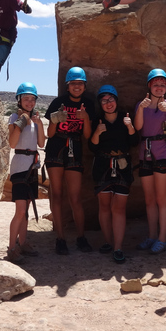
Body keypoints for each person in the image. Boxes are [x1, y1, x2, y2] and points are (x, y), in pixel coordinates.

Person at [44, 67, 97, 255]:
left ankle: (81, 237)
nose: (77, 86)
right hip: (56, 147)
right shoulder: (58, 103)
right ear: (68, 85)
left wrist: (86, 119)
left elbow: (88, 136)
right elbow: (49, 134)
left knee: (75, 197)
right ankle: (60, 238)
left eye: (80, 83)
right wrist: (55, 121)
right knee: (57, 194)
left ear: (84, 86)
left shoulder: (88, 105)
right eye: (73, 83)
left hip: (75, 147)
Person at [89, 85, 139, 263]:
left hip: (123, 167)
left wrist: (130, 127)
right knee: (104, 207)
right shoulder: (97, 121)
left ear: (116, 100)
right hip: (103, 166)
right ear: (100, 104)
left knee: (118, 208)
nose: (108, 103)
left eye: (111, 99)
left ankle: (118, 247)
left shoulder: (125, 118)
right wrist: (97, 132)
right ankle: (108, 242)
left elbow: (134, 142)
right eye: (104, 100)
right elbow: (92, 146)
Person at [134, 69, 166, 254]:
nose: (159, 87)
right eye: (156, 84)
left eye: (162, 84)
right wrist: (141, 108)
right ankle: (152, 236)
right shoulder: (141, 105)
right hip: (145, 154)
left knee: (162, 199)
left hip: (163, 154)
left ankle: (162, 239)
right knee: (149, 200)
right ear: (149, 86)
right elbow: (138, 127)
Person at [7, 82, 46, 263]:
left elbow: (41, 144)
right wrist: (19, 124)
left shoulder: (36, 119)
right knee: (21, 210)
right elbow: (13, 143)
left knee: (26, 208)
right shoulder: (14, 117)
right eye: (26, 98)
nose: (29, 102)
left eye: (32, 99)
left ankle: (22, 243)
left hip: (31, 165)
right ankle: (12, 248)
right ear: (19, 100)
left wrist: (39, 125)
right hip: (20, 166)